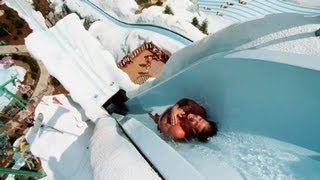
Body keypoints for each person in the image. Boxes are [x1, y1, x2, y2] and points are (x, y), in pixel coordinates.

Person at [149, 98, 218, 142]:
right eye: (200, 119)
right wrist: (176, 107)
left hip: (162, 125)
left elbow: (161, 124)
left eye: (195, 123)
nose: (195, 118)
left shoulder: (178, 132)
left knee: (155, 118)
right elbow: (186, 100)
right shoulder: (200, 111)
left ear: (193, 130)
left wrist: (172, 112)